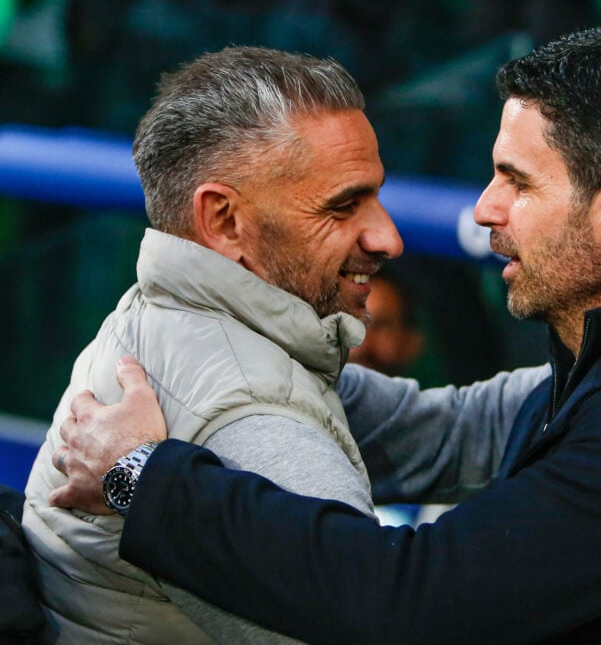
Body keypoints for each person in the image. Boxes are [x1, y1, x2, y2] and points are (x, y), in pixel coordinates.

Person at [52, 25, 601, 643]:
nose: (485, 208)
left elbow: (402, 600)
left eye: (517, 180)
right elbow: (450, 429)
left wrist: (142, 477)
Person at [20, 45, 544, 643]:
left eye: (375, 196)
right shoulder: (249, 412)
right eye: (343, 205)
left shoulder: (183, 320)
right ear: (223, 221)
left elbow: (447, 433)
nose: (388, 237)